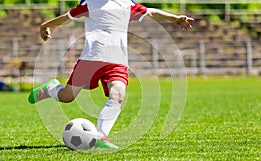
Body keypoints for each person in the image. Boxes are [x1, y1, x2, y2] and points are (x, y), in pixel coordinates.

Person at [28, 0, 194, 149]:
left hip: (117, 61)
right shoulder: (90, 4)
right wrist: (45, 25)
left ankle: (100, 136)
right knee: (67, 96)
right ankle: (50, 88)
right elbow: (67, 16)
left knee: (118, 93)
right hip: (91, 59)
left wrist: (174, 18)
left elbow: (150, 12)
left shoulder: (126, 4)